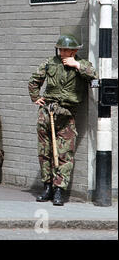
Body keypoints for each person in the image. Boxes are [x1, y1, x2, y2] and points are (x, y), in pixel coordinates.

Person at [28, 34, 97, 206]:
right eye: (61, 49)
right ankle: (47, 187)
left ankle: (60, 190)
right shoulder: (50, 63)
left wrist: (77, 65)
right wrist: (35, 97)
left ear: (74, 51)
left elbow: (93, 76)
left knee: (65, 153)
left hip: (66, 114)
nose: (63, 53)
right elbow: (34, 80)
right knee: (45, 152)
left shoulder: (83, 64)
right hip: (47, 111)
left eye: (66, 50)